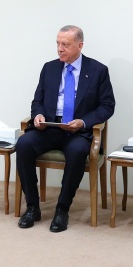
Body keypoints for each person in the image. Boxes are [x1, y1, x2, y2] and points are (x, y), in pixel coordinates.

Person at [15, 25, 115, 232]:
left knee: (77, 151)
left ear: (80, 45)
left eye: (65, 44)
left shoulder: (98, 71)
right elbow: (37, 101)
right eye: (58, 44)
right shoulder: (49, 68)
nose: (60, 49)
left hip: (77, 130)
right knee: (23, 144)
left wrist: (83, 122)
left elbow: (107, 106)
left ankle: (62, 209)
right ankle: (32, 207)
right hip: (50, 127)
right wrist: (38, 115)